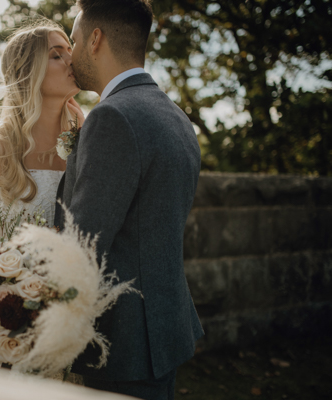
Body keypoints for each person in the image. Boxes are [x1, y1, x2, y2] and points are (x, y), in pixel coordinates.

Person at [54, 0, 204, 399]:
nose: (72, 52)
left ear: (96, 40)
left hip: (123, 343)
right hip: (163, 331)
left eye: (74, 39)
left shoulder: (112, 117)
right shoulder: (176, 117)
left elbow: (82, 241)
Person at [0, 21, 84, 241]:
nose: (71, 60)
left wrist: (84, 132)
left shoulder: (86, 140)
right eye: (56, 56)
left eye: (70, 51)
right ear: (27, 72)